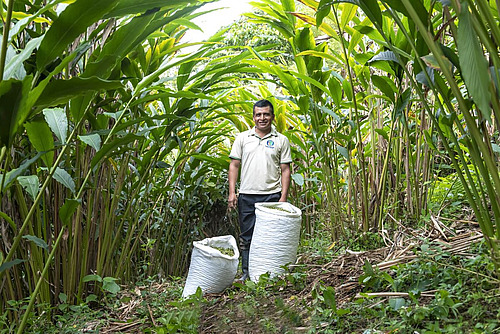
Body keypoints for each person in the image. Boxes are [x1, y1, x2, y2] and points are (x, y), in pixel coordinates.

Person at [227, 99, 292, 281]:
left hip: (272, 195)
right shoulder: (242, 138)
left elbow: (286, 170)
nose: (262, 118)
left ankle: (270, 274)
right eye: (258, 115)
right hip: (247, 195)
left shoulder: (281, 140)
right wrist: (232, 193)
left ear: (272, 117)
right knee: (247, 237)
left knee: (271, 237)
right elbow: (234, 165)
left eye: (266, 114)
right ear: (253, 117)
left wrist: (283, 198)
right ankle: (247, 274)